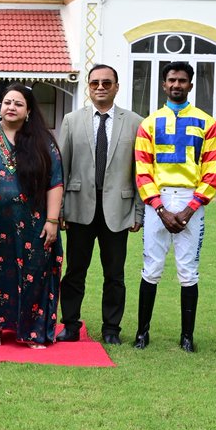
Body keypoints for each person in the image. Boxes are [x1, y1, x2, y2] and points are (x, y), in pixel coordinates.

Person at [132, 61, 216, 352]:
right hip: (157, 200)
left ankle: (187, 337)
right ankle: (142, 333)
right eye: (172, 80)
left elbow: (212, 170)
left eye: (182, 80)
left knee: (188, 270)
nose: (176, 85)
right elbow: (143, 170)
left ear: (190, 85)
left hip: (190, 199)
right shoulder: (149, 123)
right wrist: (160, 208)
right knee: (151, 267)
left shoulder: (207, 123)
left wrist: (190, 208)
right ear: (164, 84)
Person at [0, 84, 64, 347]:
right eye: (7, 102)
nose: (11, 107)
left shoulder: (43, 141)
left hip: (33, 223)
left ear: (29, 110)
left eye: (18, 103)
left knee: (34, 273)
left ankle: (32, 331)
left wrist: (52, 220)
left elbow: (55, 182)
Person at [58, 64, 144, 345]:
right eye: (95, 83)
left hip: (118, 209)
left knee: (115, 275)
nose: (100, 87)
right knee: (74, 272)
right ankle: (70, 325)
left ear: (117, 87)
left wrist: (139, 211)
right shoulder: (72, 120)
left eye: (107, 83)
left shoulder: (135, 122)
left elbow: (140, 171)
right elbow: (62, 168)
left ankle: (111, 329)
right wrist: (59, 209)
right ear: (88, 87)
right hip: (79, 207)